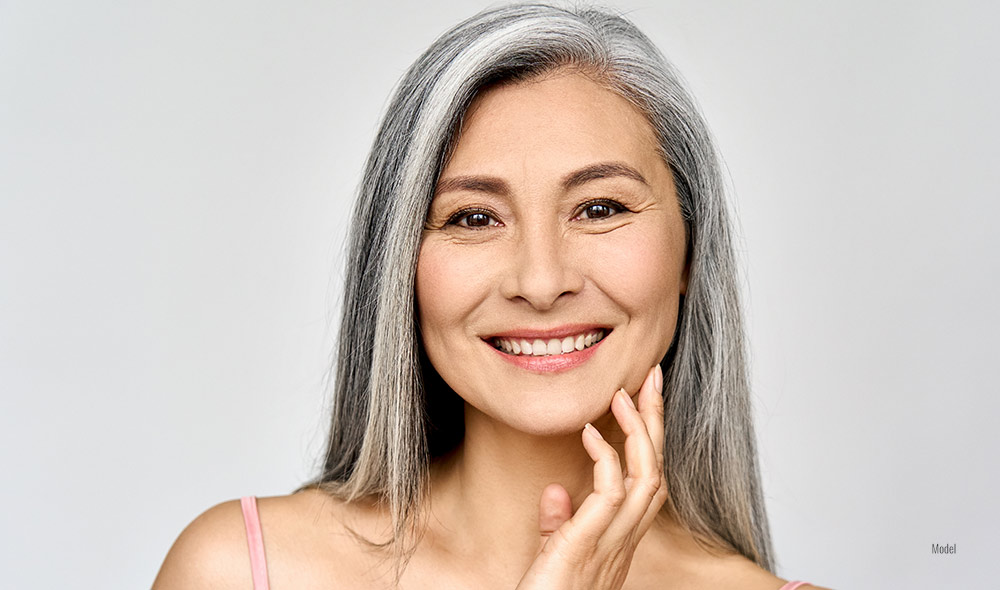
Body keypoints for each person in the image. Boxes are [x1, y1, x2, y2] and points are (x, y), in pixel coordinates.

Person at [153, 4, 828, 589]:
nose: (539, 282)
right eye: (473, 218)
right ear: (399, 266)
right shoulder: (239, 571)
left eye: (599, 208)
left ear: (691, 247)